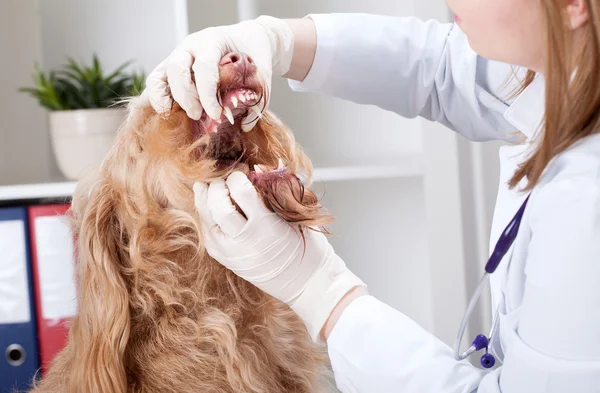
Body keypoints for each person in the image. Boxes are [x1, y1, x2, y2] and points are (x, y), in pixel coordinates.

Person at [142, 0, 600, 391]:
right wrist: (275, 40)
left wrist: (326, 296)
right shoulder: (567, 66)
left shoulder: (587, 201)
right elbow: (441, 66)